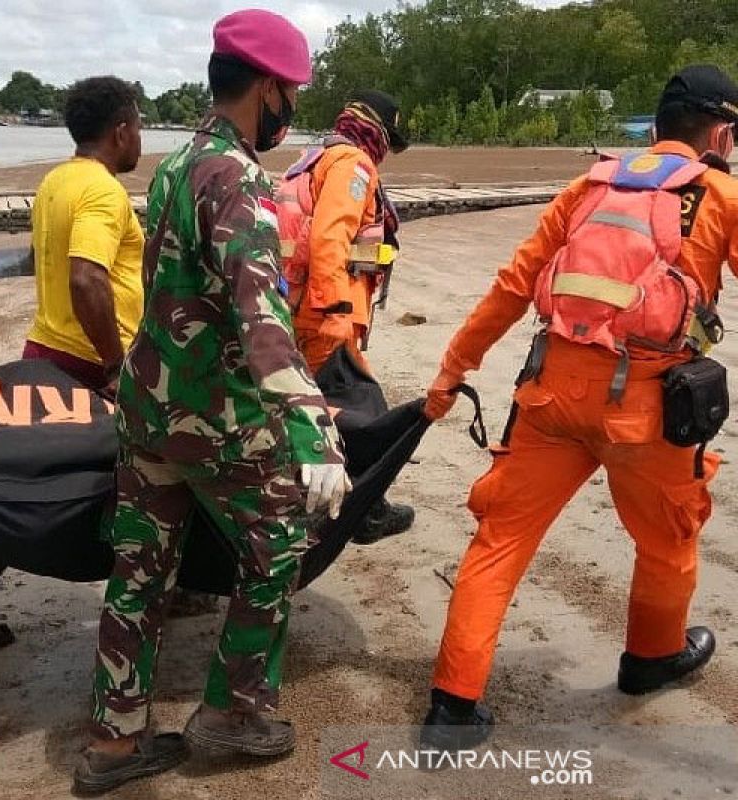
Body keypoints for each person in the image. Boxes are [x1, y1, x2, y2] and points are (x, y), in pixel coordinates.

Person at [419, 64, 738, 752]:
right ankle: (649, 659)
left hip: (551, 396)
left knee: (498, 543)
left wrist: (452, 370)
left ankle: (452, 705)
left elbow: (512, 286)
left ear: (653, 129)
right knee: (667, 540)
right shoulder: (720, 194)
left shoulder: (587, 187)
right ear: (722, 133)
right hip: (650, 414)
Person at [74, 10, 350, 794]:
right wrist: (312, 427)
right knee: (278, 548)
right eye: (290, 93)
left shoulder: (175, 161)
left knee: (138, 576)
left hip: (148, 409)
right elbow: (259, 309)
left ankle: (114, 743)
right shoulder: (240, 180)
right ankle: (233, 711)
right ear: (266, 89)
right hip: (215, 421)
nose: (291, 108)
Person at [0, 76, 144, 647]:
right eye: (138, 127)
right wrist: (114, 364)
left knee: (38, 477)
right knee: (139, 476)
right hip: (88, 360)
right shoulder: (103, 192)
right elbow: (86, 276)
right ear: (121, 130)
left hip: (46, 347)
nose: (140, 139)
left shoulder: (56, 180)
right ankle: (155, 593)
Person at [284, 90, 414, 545]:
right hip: (325, 317)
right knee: (367, 415)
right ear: (378, 130)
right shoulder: (354, 166)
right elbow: (329, 238)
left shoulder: (314, 157)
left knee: (306, 411)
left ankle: (304, 497)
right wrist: (336, 310)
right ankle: (367, 513)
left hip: (297, 308)